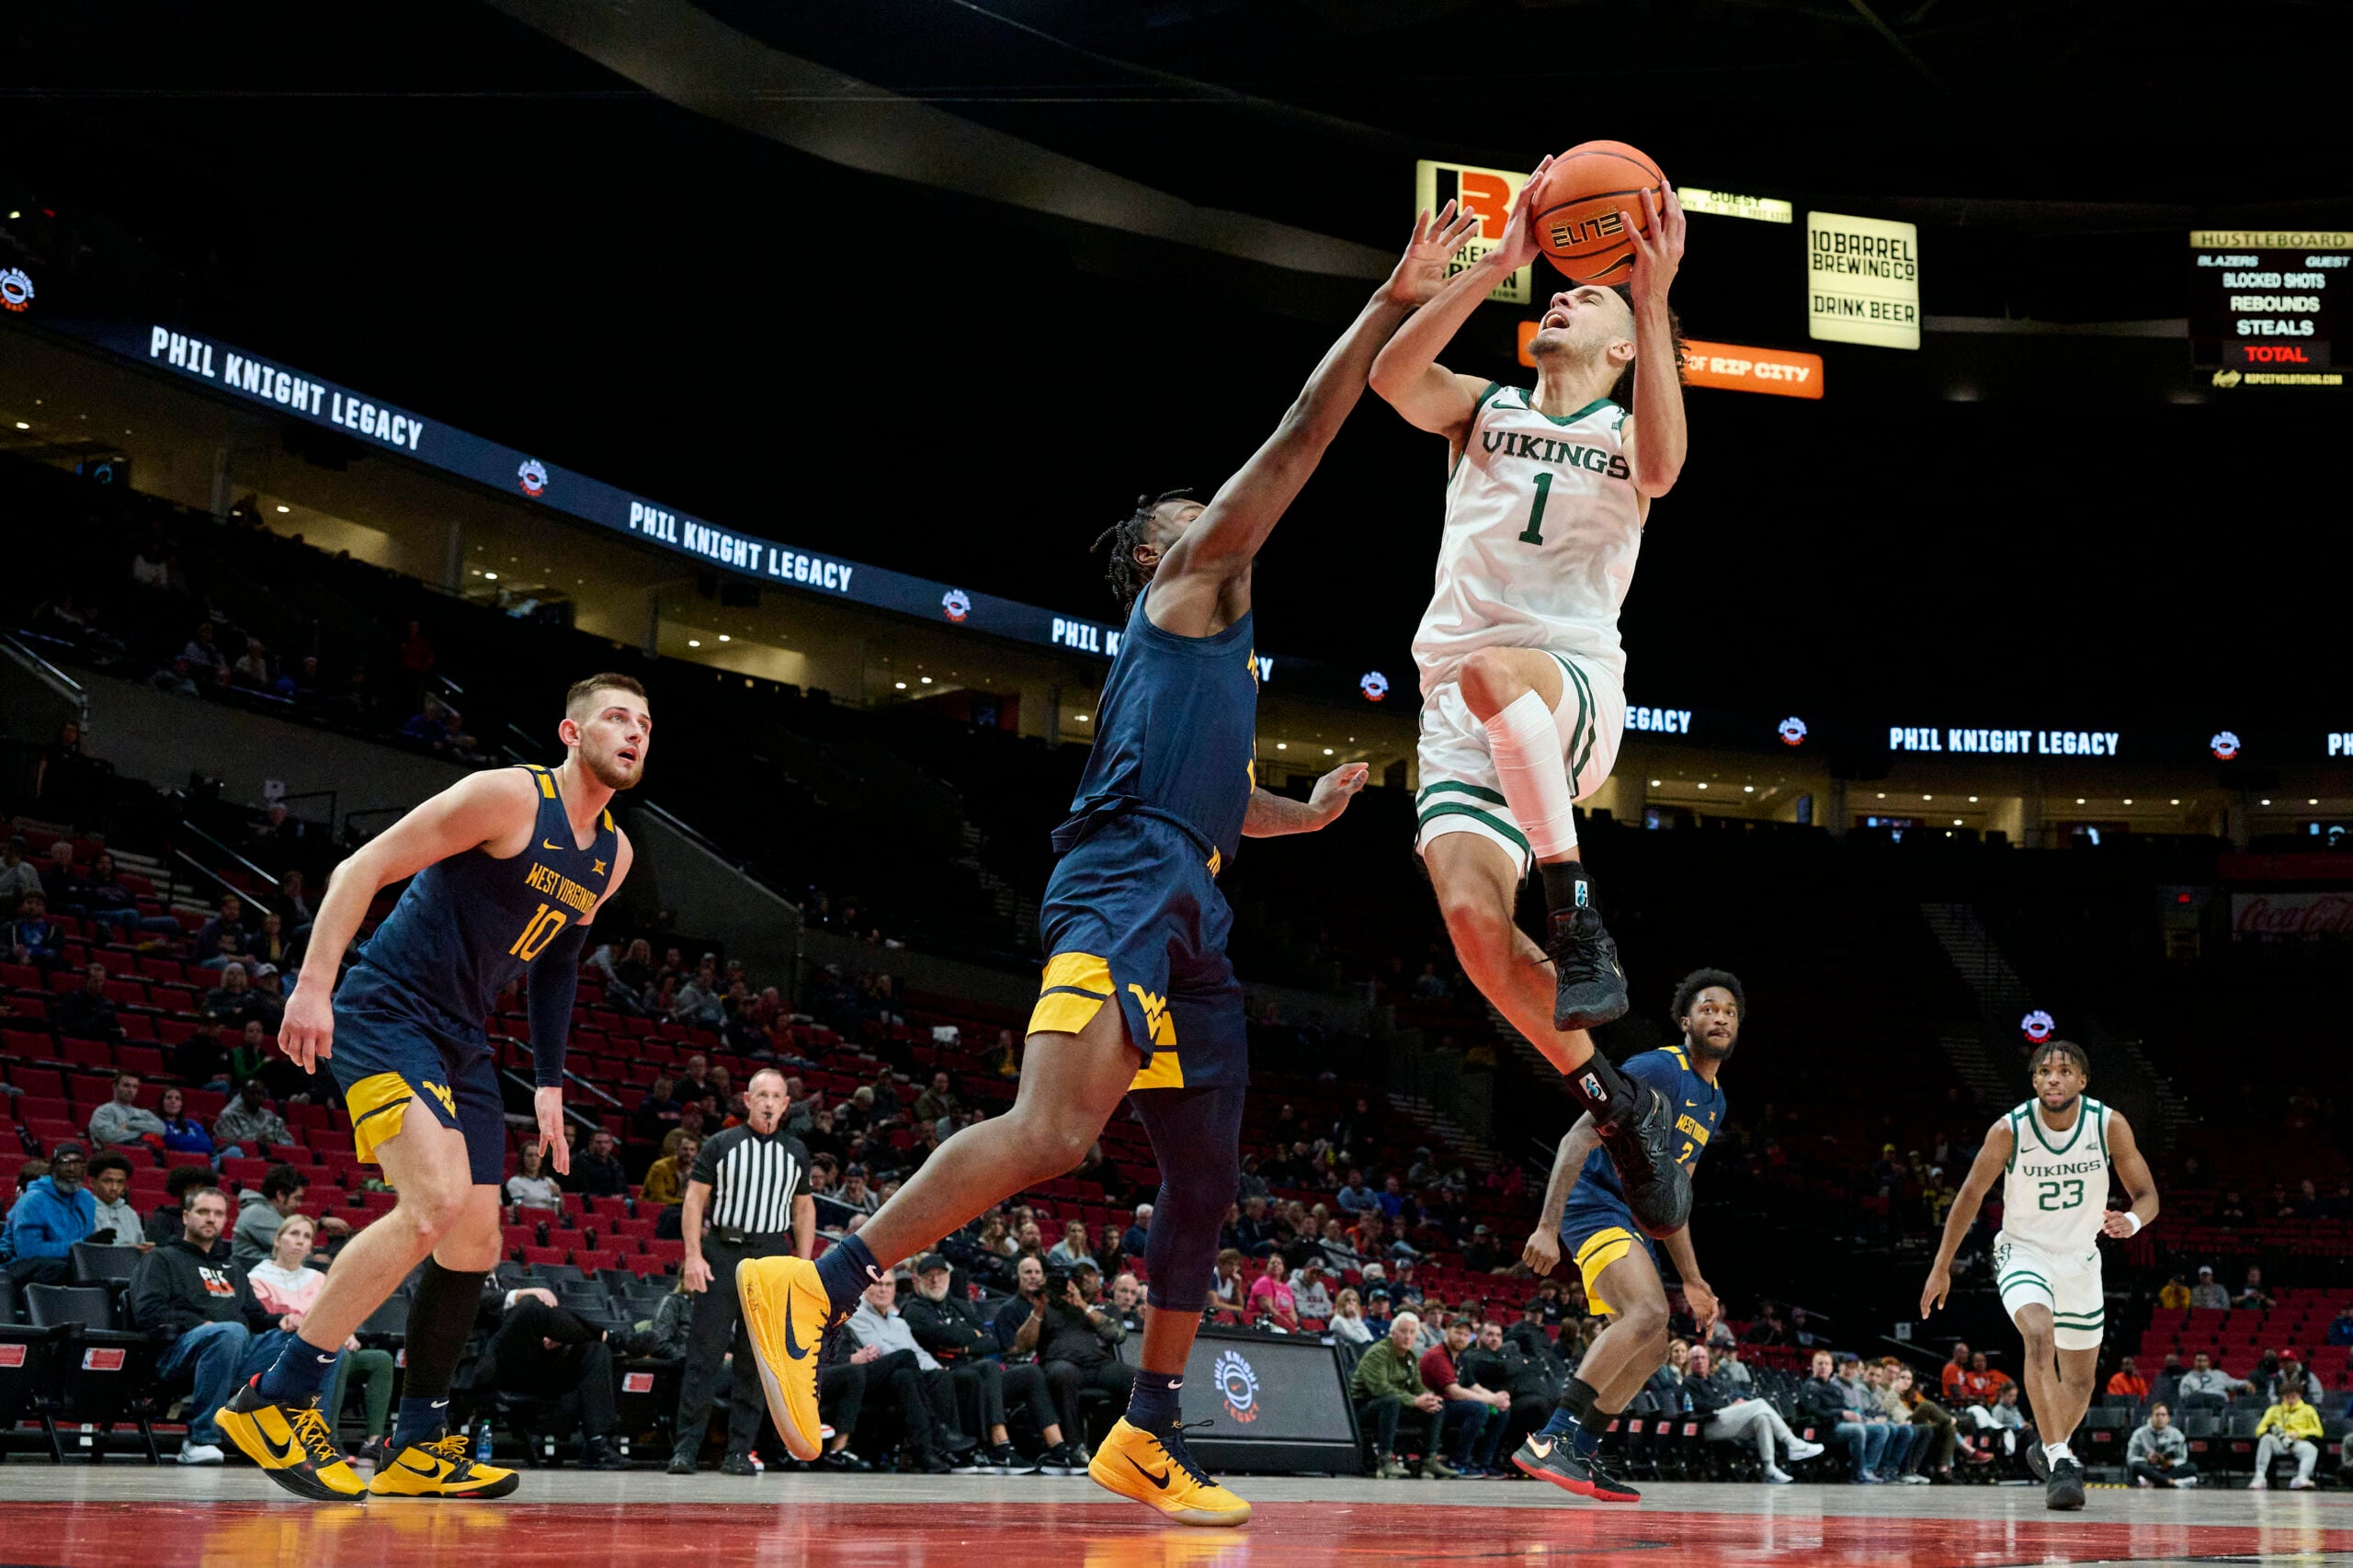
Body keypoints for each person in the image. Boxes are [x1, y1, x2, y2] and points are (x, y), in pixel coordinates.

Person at [737, 207, 1486, 1531]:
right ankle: (825, 1277)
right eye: (1199, 510)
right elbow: (1307, 429)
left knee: (1203, 1175)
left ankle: (1145, 1432)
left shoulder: (1207, 660)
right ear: (1157, 551)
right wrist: (1386, 304)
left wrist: (1298, 817)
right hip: (1125, 880)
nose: (1225, 512)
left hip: (1192, 889)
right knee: (1056, 1129)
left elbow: (1214, 801)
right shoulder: (1189, 581)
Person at [1367, 161, 1693, 1251]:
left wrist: (1647, 302)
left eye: (1585, 296)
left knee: (1497, 670)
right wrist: (1496, 266)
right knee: (1467, 925)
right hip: (1460, 715)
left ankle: (1575, 901)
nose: (1565, 295)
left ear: (1619, 349)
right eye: (1562, 290)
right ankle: (1615, 1100)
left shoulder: (1623, 426)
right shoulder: (1483, 410)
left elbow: (1663, 462)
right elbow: (1389, 378)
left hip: (1568, 690)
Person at [220, 674, 646, 1503]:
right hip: (387, 1009)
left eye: (645, 724)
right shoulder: (506, 798)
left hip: (464, 1039)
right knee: (433, 1204)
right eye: (617, 718)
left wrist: (551, 1081)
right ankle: (277, 1395)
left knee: (476, 1241)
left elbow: (558, 963)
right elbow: (363, 865)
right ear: (571, 732)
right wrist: (313, 985)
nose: (634, 733)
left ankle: (417, 1443)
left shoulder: (614, 855)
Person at [1517, 970, 1742, 1503]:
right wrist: (1547, 1227)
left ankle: (1583, 1450)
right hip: (1592, 1206)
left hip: (1632, 1220)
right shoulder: (1658, 1068)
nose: (1720, 1018)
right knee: (1645, 1315)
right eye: (1709, 1008)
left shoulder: (1715, 1102)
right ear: (1686, 1021)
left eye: (1730, 1012)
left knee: (1656, 1346)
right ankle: (1550, 1441)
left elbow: (1674, 1195)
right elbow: (1578, 1134)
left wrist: (1694, 1280)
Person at [1922, 1039, 2160, 1512]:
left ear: (2082, 1080)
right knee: (2037, 1335)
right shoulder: (2009, 1130)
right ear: (2034, 1081)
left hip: (2080, 1258)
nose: (2054, 1078)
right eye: (2045, 1072)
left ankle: (2047, 1445)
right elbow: (1969, 1196)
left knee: (2080, 1382)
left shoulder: (2108, 1124)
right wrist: (1940, 1266)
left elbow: (2147, 1195)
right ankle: (2059, 1458)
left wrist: (2129, 1222)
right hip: (2023, 1252)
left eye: (2065, 1071)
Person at [667, 1070, 815, 1476]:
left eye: (776, 1096)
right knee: (705, 1354)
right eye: (761, 1095)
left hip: (770, 1256)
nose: (768, 1102)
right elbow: (695, 1201)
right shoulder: (721, 1144)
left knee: (756, 1361)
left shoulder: (797, 1151)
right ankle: (686, 1449)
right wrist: (693, 1256)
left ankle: (739, 1452)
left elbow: (803, 1209)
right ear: (747, 1100)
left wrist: (802, 1265)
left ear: (786, 1105)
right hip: (723, 1251)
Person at [128, 1186, 280, 1466]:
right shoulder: (161, 1259)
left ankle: (307, 1443)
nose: (211, 1219)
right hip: (177, 1352)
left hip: (235, 1348)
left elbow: (256, 1317)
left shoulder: (233, 1267)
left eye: (218, 1213)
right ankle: (200, 1439)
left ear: (225, 1221)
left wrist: (288, 1321)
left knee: (306, 1343)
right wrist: (201, 1324)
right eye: (203, 1212)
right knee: (229, 1332)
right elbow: (148, 1312)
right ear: (186, 1217)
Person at [248, 1214, 397, 1467]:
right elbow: (262, 1320)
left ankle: (373, 1442)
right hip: (287, 1351)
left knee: (380, 1360)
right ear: (277, 1240)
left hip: (328, 1346)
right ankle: (328, 1438)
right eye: (294, 1234)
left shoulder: (318, 1278)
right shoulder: (257, 1276)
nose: (299, 1241)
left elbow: (337, 1314)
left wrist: (346, 1330)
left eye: (306, 1237)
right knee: (336, 1353)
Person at [901, 1252, 1065, 1472]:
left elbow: (992, 1341)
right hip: (946, 1377)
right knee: (986, 1368)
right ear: (917, 1280)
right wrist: (971, 1335)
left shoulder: (959, 1305)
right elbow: (947, 1336)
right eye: (929, 1276)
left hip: (976, 1373)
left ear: (948, 1277)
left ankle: (1059, 1448)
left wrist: (966, 1345)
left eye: (940, 1275)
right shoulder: (914, 1309)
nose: (935, 1280)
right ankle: (1000, 1446)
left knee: (1030, 1373)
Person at [460, 1286, 631, 1471]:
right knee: (530, 1304)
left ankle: (598, 1444)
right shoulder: (459, 1277)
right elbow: (480, 1305)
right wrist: (519, 1295)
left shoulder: (504, 1281)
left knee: (595, 1349)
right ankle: (612, 1337)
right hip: (489, 1368)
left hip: (530, 1368)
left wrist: (555, 1336)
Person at [1683, 1344, 1821, 1483]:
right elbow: (1699, 1405)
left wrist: (1734, 1405)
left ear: (1708, 1360)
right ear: (1690, 1362)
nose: (1699, 1361)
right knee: (1760, 1403)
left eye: (1702, 1357)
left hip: (1725, 1423)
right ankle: (1793, 1443)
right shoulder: (1688, 1382)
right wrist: (1730, 1405)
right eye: (1695, 1358)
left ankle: (1769, 1468)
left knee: (1761, 1419)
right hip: (1708, 1425)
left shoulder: (1713, 1380)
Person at [1351, 1312, 1451, 1479]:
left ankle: (1429, 1460)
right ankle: (1384, 1461)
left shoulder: (1410, 1356)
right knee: (1390, 1401)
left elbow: (1418, 1387)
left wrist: (1428, 1398)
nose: (1407, 1336)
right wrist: (1414, 1400)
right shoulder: (1378, 1353)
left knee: (1437, 1405)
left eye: (1412, 1332)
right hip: (1364, 1407)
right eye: (1403, 1331)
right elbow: (1380, 1389)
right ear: (1393, 1332)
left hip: (1396, 1404)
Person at [6, 1142, 97, 1286]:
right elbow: (29, 1252)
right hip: (23, 1268)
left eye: (78, 1163)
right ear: (53, 1168)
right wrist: (79, 1246)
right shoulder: (32, 1200)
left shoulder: (87, 1199)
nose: (72, 1169)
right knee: (59, 1270)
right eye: (65, 1163)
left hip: (71, 1263)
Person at [231, 1165, 310, 1268]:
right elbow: (292, 1249)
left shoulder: (269, 1213)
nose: (299, 1204)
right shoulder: (257, 1213)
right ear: (280, 1195)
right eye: (296, 1198)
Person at [2251, 1384, 2323, 1489]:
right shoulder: (2273, 1410)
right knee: (2266, 1439)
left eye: (2293, 1397)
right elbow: (2259, 1430)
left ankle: (2302, 1478)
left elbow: (2318, 1431)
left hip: (2298, 1442)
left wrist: (2298, 1433)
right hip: (2278, 1442)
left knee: (2311, 1449)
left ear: (2299, 1396)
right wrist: (2274, 1432)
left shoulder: (2309, 1410)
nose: (2290, 1400)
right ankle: (2260, 1477)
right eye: (2287, 1397)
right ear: (2282, 1397)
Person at [211, 1078, 291, 1156]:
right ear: (243, 1094)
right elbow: (228, 1143)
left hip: (271, 1158)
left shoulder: (272, 1118)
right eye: (252, 1093)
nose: (256, 1097)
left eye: (259, 1093)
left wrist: (274, 1142)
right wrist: (256, 1141)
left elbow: (289, 1142)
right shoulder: (228, 1115)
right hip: (242, 1158)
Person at [85, 1070, 162, 1150]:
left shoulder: (142, 1113)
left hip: (141, 1155)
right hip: (111, 1157)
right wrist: (141, 1132)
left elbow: (160, 1130)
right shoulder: (103, 1111)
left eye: (135, 1087)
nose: (131, 1090)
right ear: (114, 1087)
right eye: (126, 1085)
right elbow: (108, 1136)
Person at [2126, 1403, 2198, 1488]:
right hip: (2149, 1468)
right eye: (2157, 1415)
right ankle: (2172, 1482)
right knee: (2135, 1466)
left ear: (2168, 1418)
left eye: (2163, 1415)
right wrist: (2147, 1459)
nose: (2160, 1418)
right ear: (2151, 1417)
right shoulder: (2139, 1433)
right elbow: (2131, 1458)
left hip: (2167, 1468)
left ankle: (2154, 1482)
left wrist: (2171, 1463)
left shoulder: (2177, 1434)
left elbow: (2183, 1458)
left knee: (2192, 1467)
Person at [85, 1151, 147, 1248]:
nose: (114, 1187)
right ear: (92, 1182)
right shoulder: (82, 1211)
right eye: (108, 1181)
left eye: (120, 1182)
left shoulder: (130, 1214)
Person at [56, 963, 125, 1046]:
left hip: (100, 1042)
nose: (99, 985)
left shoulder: (107, 1004)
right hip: (77, 1040)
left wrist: (120, 1030)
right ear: (86, 980)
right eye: (95, 981)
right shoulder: (73, 998)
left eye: (101, 981)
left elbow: (114, 1026)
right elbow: (67, 1024)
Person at [156, 1086, 215, 1158]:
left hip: (204, 1162)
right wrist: (193, 1141)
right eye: (169, 1097)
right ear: (162, 1102)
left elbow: (208, 1145)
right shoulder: (157, 1125)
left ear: (181, 1104)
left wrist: (182, 1142)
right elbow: (170, 1143)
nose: (173, 1101)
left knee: (232, 1151)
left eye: (177, 1098)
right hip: (178, 1163)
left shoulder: (192, 1124)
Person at [1248, 1251, 1301, 1331]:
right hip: (1267, 1323)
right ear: (1267, 1266)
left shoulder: (1286, 1287)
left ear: (1283, 1267)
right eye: (1272, 1263)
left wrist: (1295, 1325)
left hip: (1285, 1325)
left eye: (1279, 1263)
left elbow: (1292, 1311)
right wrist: (1288, 1326)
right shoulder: (1264, 1282)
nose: (1276, 1265)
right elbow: (1268, 1308)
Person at [642, 1134, 698, 1208]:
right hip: (654, 1209)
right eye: (685, 1149)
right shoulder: (660, 1167)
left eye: (692, 1150)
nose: (688, 1153)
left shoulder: (697, 1170)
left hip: (682, 1209)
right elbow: (658, 1198)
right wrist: (686, 1203)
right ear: (677, 1150)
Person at [572, 1130, 629, 1198]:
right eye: (598, 1142)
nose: (603, 1146)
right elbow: (583, 1192)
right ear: (591, 1144)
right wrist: (609, 1197)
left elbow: (624, 1190)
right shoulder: (581, 1163)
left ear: (611, 1144)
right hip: (594, 1203)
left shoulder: (615, 1165)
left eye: (606, 1142)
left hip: (618, 1203)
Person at [503, 1143, 562, 1210]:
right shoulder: (515, 1182)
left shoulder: (549, 1181)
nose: (533, 1159)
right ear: (522, 1159)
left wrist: (558, 1194)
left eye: (537, 1155)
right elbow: (519, 1209)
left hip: (549, 1218)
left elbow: (560, 1210)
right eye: (529, 1155)